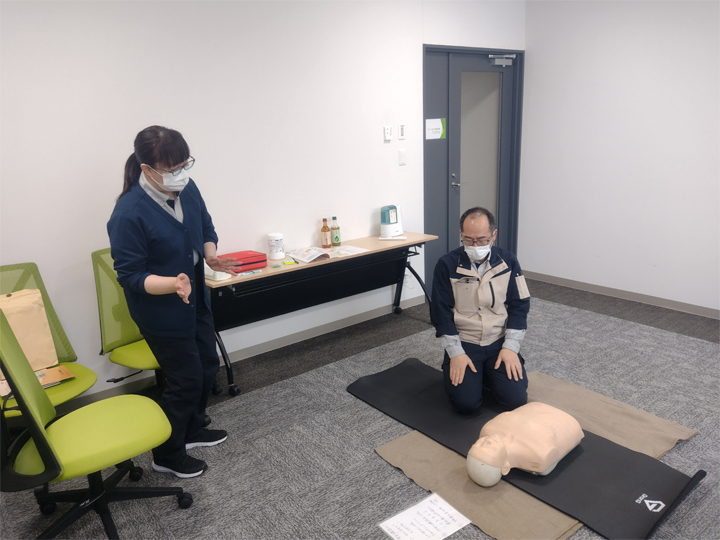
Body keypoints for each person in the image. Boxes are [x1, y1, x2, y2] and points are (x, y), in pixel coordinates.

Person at [107, 126, 239, 478]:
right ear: (147, 169)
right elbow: (130, 276)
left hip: (195, 298)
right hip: (161, 310)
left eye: (184, 165)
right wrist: (173, 283)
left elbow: (205, 227)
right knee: (184, 380)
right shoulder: (128, 213)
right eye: (172, 168)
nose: (181, 174)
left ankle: (192, 430)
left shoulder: (187, 188)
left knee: (207, 365)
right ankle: (167, 454)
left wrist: (210, 256)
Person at [430, 207, 531, 414]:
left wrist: (511, 347)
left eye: (482, 240)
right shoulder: (446, 265)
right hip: (465, 342)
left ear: (494, 235)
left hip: (498, 340)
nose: (475, 246)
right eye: (468, 240)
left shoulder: (509, 261)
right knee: (466, 405)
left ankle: (487, 373)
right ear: (461, 234)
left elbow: (520, 305)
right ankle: (474, 374)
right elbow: (440, 313)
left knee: (516, 400)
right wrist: (456, 353)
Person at [466, 402, 584, 487]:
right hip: (566, 421)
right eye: (488, 450)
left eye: (477, 445)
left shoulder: (487, 430)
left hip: (535, 407)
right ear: (505, 468)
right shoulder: (538, 454)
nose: (486, 442)